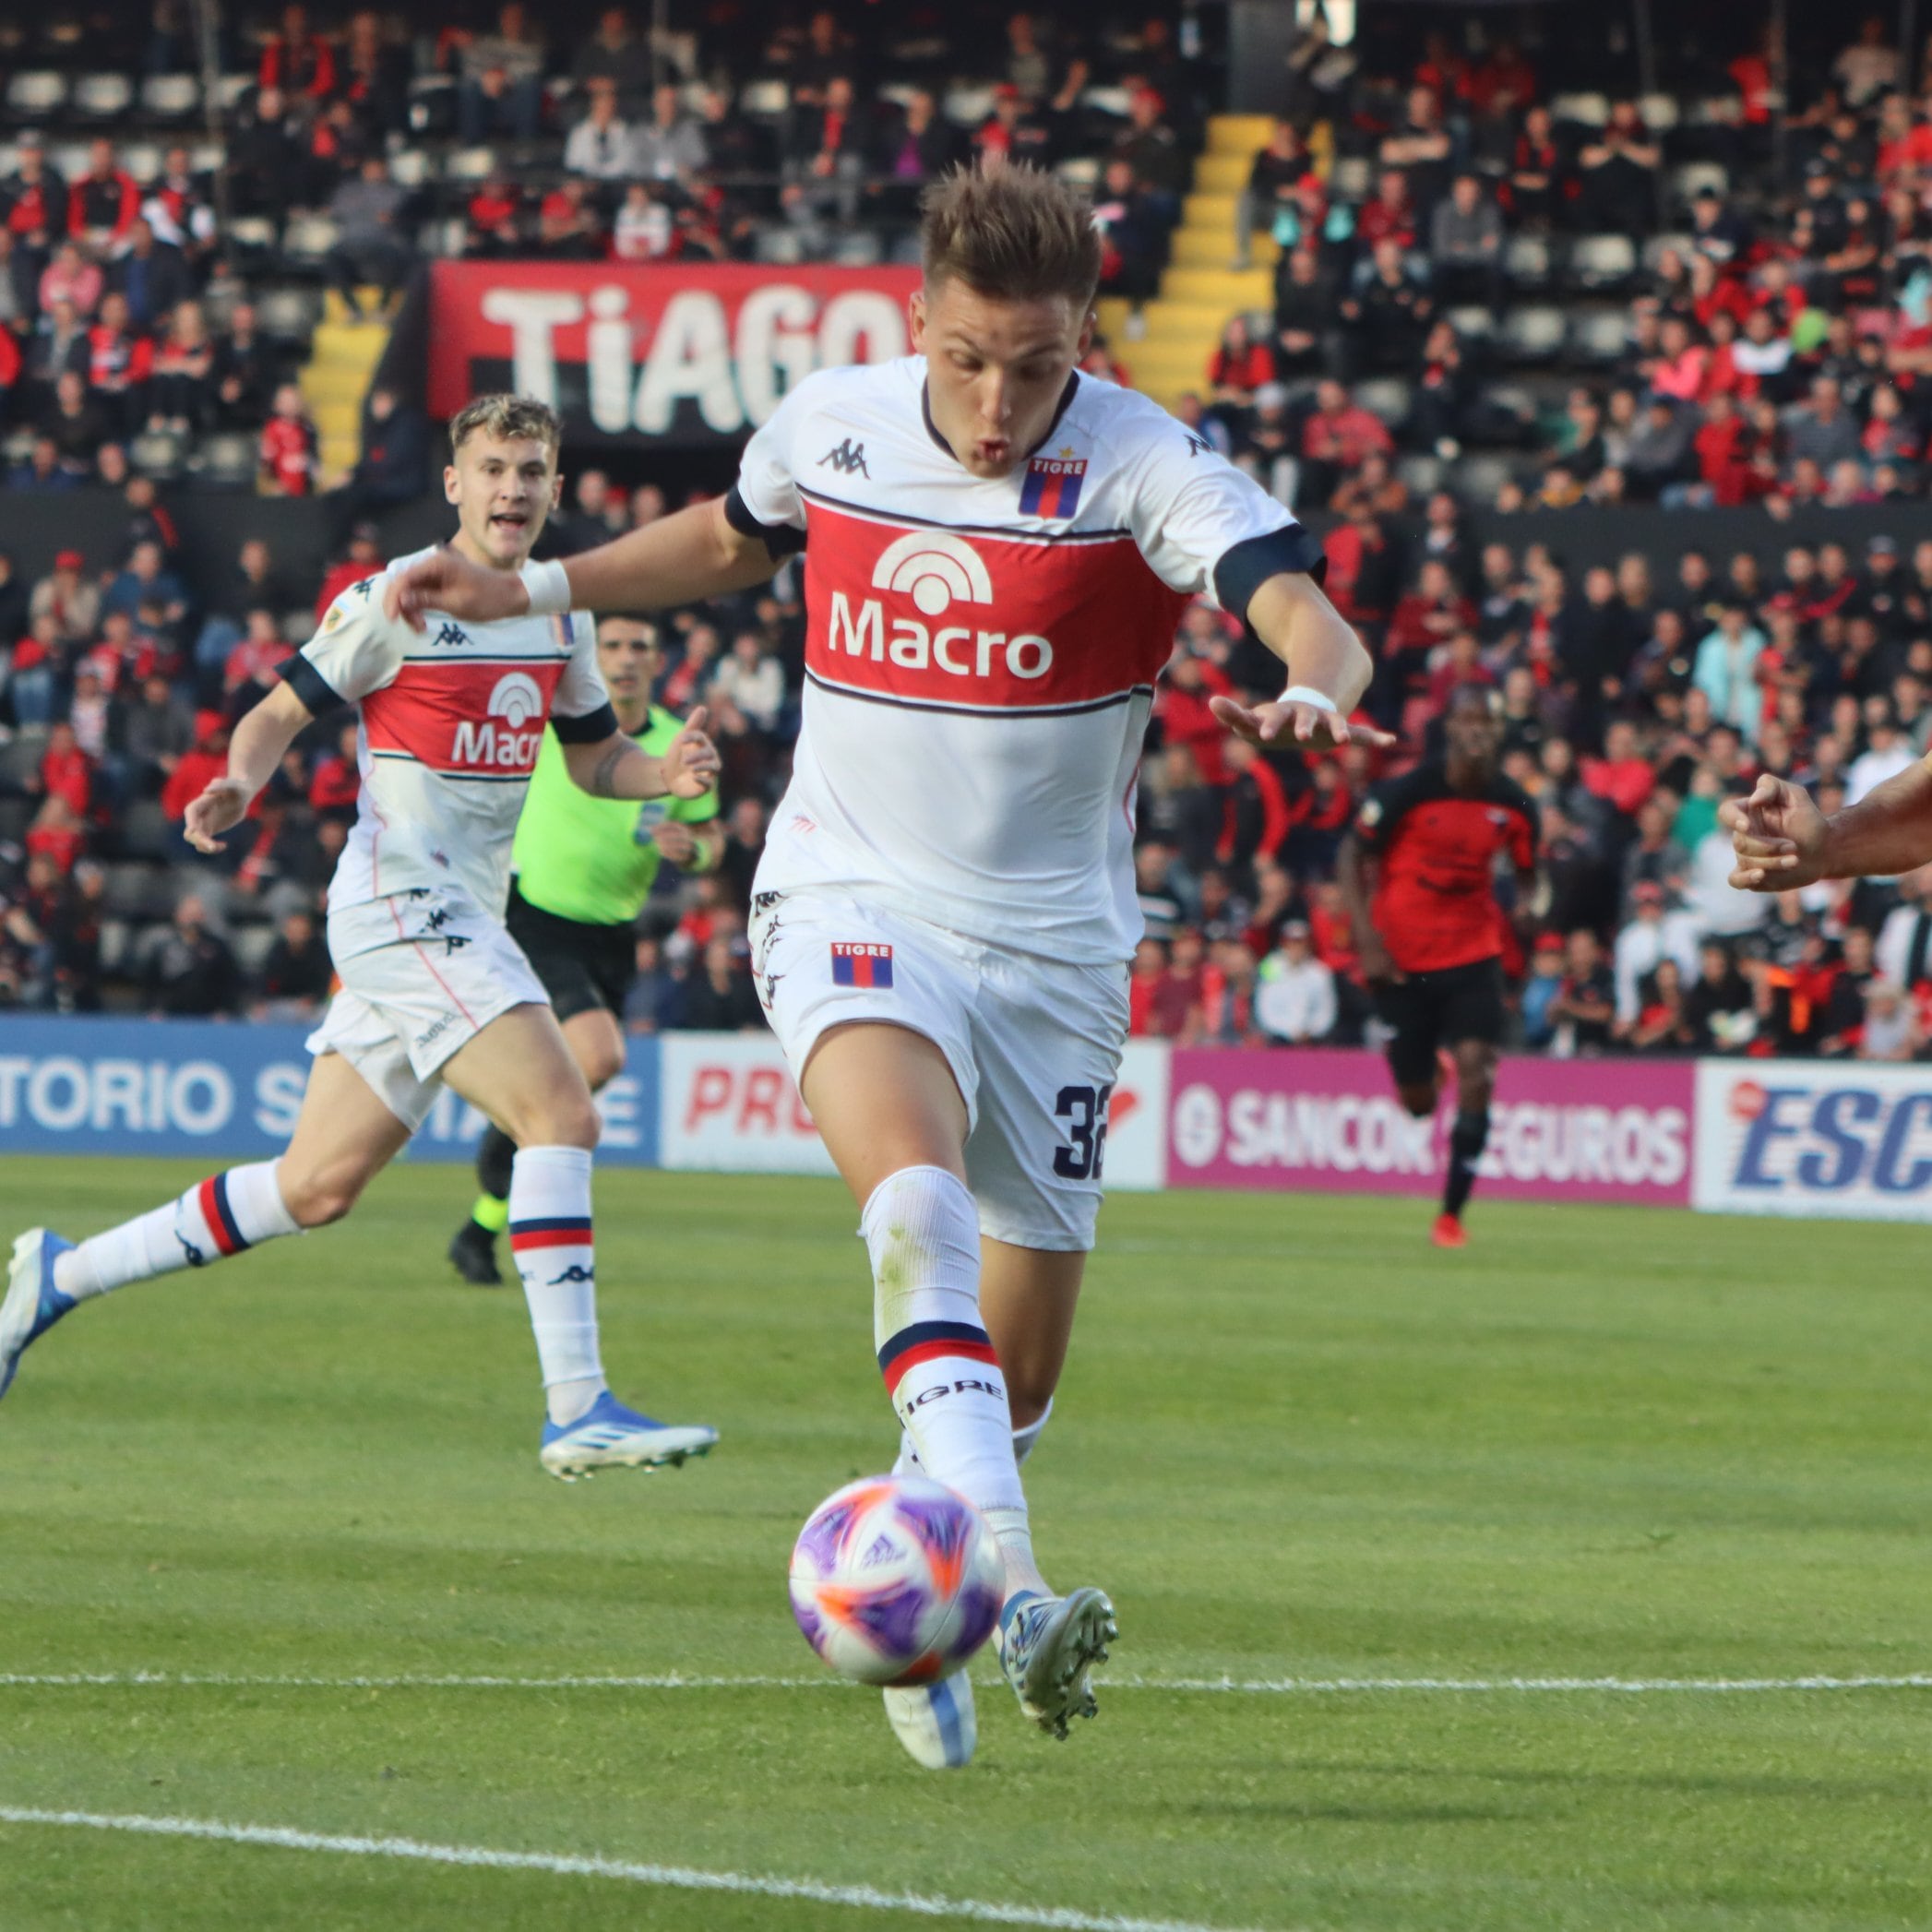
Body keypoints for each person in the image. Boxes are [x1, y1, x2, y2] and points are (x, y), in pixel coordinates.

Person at [378, 165, 1378, 1769]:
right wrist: (536, 587)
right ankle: (1014, 1585)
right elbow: (724, 537)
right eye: (970, 357)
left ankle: (920, 1589)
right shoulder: (833, 424)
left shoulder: (1138, 458)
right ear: (917, 319)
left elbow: (1293, 604)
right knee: (907, 1202)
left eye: (1036, 365)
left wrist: (1315, 684)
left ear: (1084, 340)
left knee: (1017, 1358)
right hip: (849, 894)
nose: (997, 404)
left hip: (1055, 955)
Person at [3, 394, 722, 1487]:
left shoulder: (560, 618)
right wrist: (241, 782)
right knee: (562, 1106)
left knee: (314, 1187)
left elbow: (588, 761)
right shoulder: (394, 601)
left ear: (557, 488)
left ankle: (59, 1273)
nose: (513, 489)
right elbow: (276, 711)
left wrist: (659, 774)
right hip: (399, 900)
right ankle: (577, 1407)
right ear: (454, 483)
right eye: (493, 468)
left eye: (532, 471)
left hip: (459, 917)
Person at [448, 614, 723, 1285]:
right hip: (536, 917)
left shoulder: (675, 743)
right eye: (613, 647)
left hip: (613, 935)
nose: (626, 660)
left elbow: (711, 836)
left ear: (659, 662)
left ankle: (482, 1223)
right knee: (597, 1058)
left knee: (563, 1090)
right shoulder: (555, 722)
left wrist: (696, 852)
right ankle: (513, 1174)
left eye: (640, 647)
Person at [1337, 686, 1538, 1249]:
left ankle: (1451, 1216)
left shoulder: (1516, 804)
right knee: (1419, 1105)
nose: (1478, 732)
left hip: (1473, 954)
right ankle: (1428, 1071)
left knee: (1481, 1070)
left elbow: (1529, 873)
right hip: (1401, 958)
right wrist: (1367, 940)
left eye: (1488, 722)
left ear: (1499, 734)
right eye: (1468, 720)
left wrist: (1534, 903)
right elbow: (1352, 854)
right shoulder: (1406, 791)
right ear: (1451, 729)